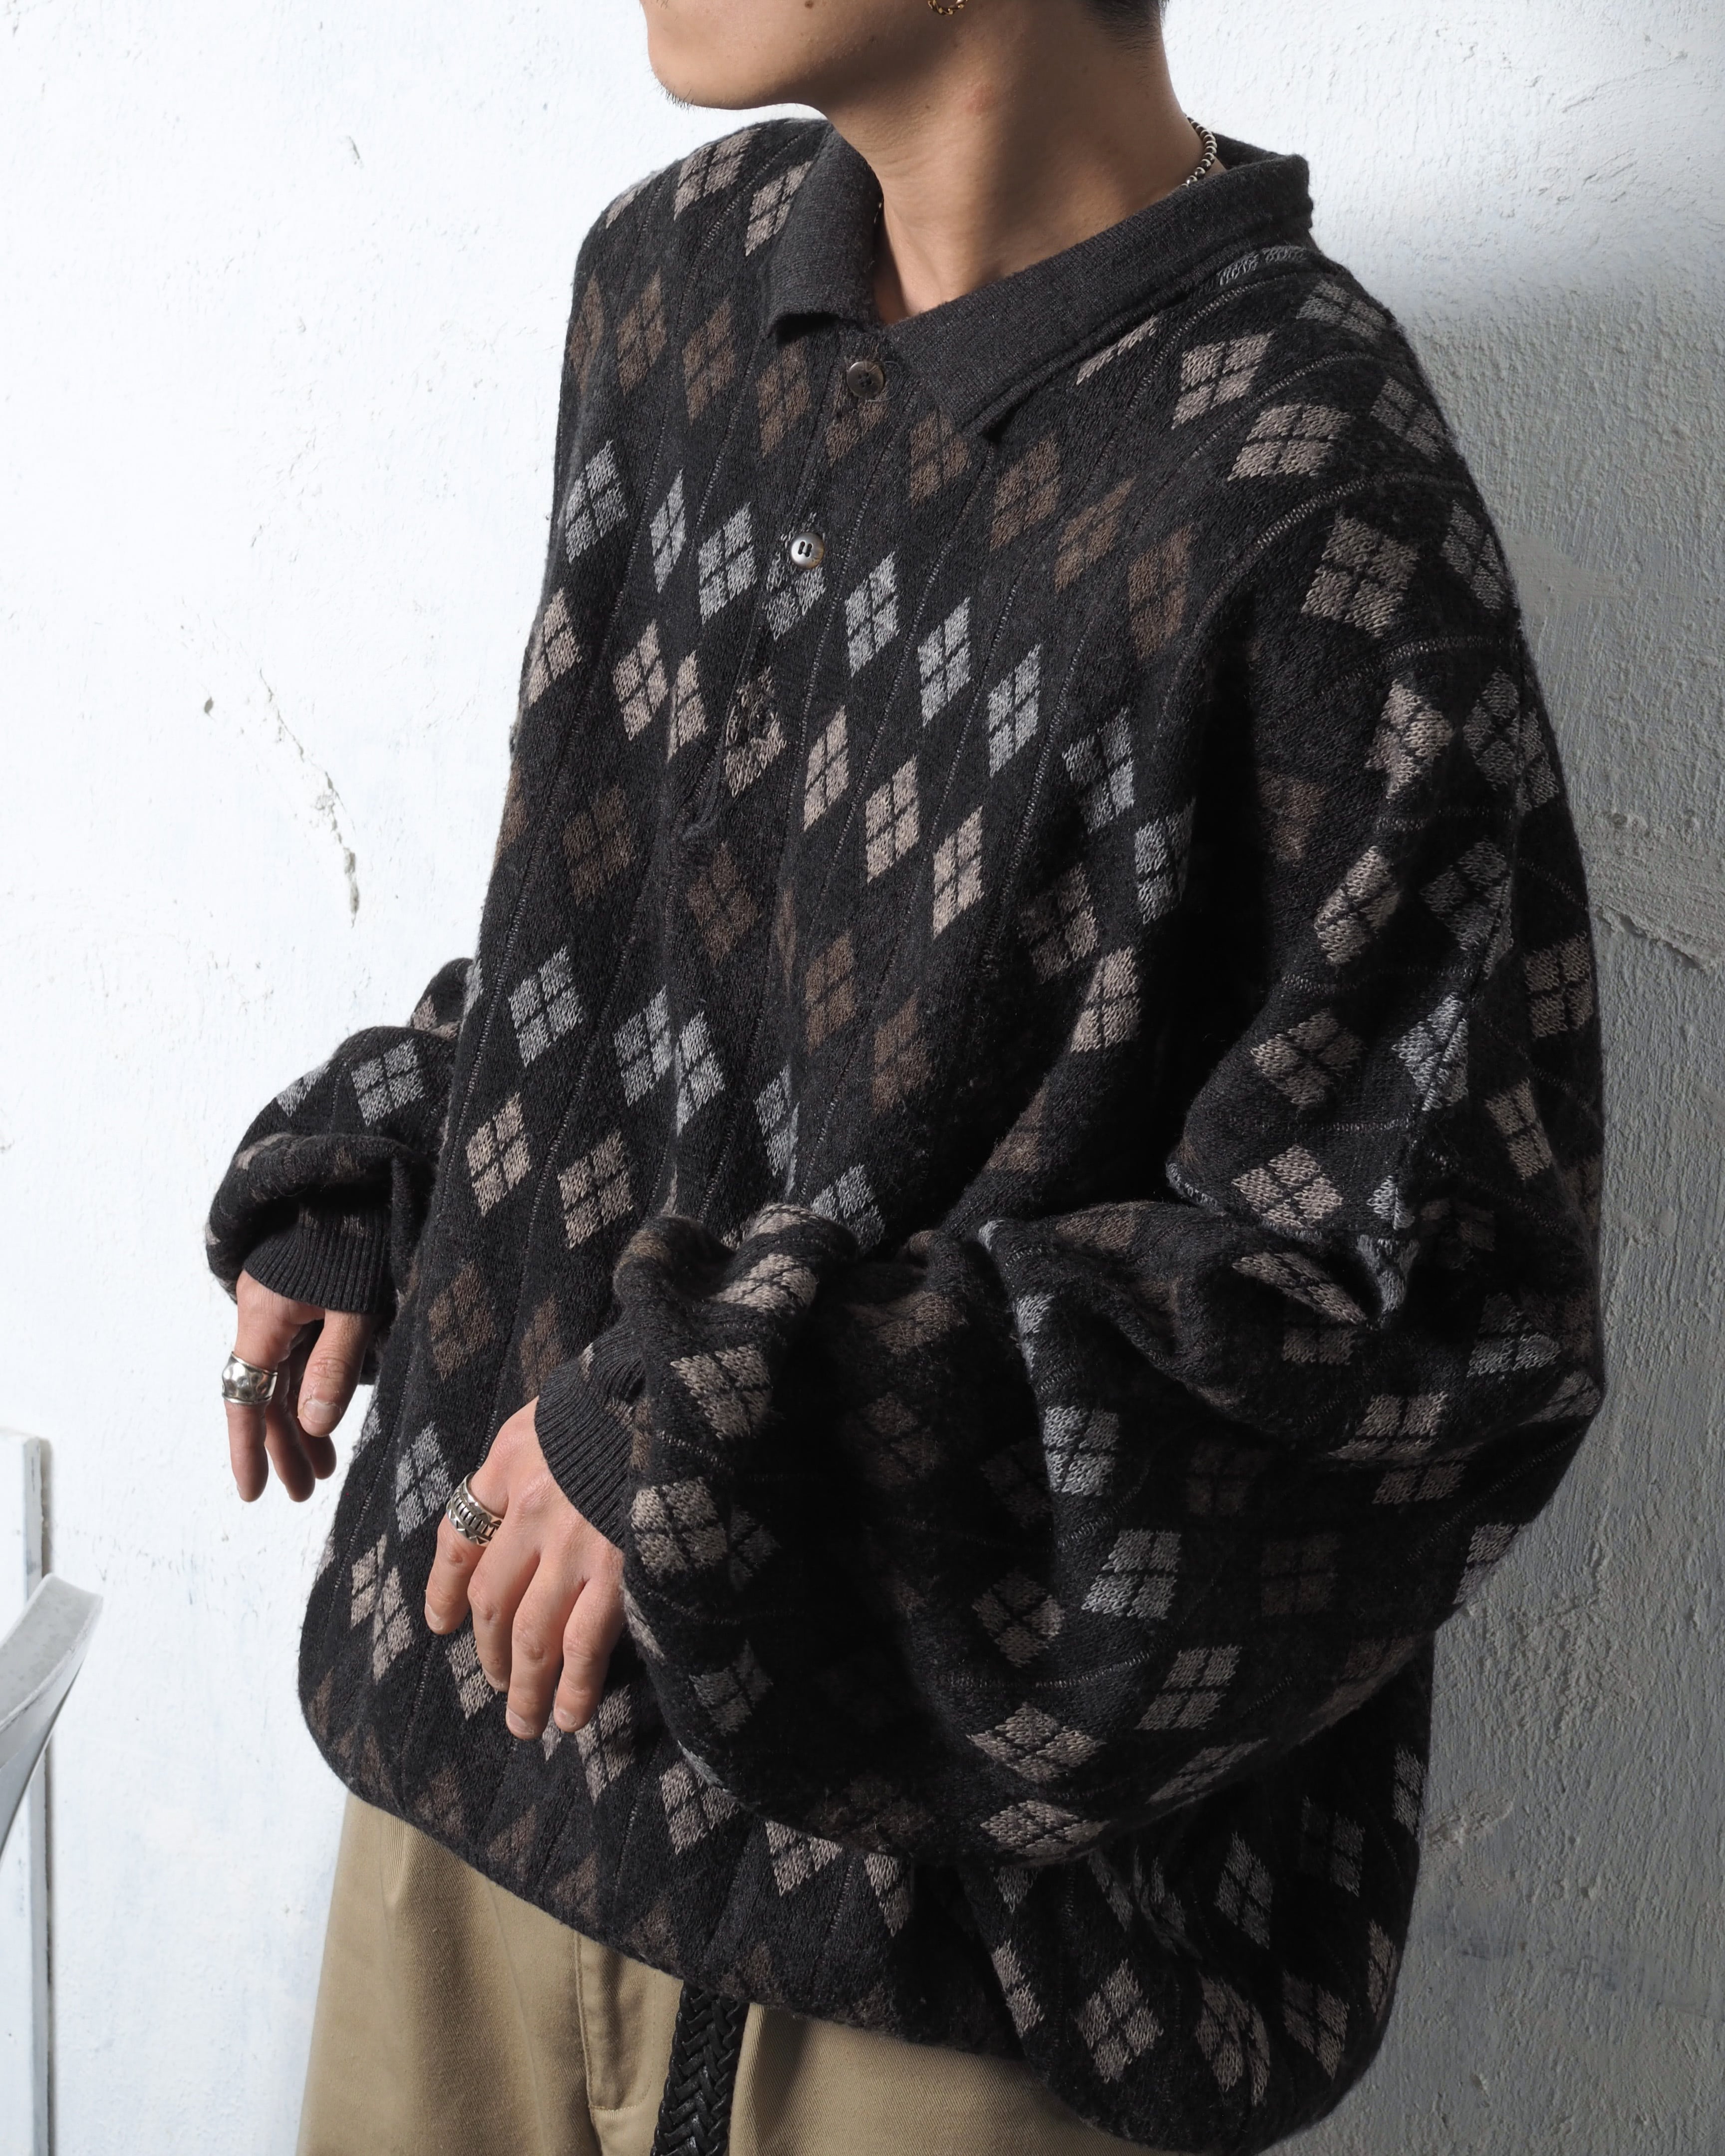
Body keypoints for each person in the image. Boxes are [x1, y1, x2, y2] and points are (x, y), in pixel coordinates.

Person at [207, 0, 1607, 2150]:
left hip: (932, 1964)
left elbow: (1432, 1329)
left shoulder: (1315, 496)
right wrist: (413, 1155)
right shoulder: (677, 287)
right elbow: (658, 935)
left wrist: (729, 1431)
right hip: (475, 1790)